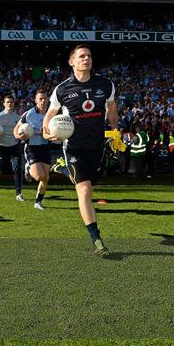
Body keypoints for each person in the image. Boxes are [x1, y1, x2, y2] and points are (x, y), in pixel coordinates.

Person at [43, 44, 118, 258]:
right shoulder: (62, 89)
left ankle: (63, 169)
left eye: (89, 56)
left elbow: (112, 109)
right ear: (72, 62)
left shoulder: (105, 85)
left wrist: (116, 131)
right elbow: (50, 115)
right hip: (74, 147)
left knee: (91, 186)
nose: (87, 59)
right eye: (82, 56)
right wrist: (48, 132)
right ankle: (97, 240)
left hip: (97, 146)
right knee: (84, 191)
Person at [14, 89, 51, 210]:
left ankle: (38, 202)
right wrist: (18, 136)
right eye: (40, 99)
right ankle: (28, 167)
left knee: (46, 178)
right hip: (32, 148)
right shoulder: (29, 114)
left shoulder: (52, 114)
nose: (43, 101)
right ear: (35, 100)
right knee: (39, 176)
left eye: (45, 98)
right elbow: (16, 129)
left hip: (45, 147)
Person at [0, 95, 23, 201]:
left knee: (17, 169)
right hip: (1, 146)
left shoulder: (17, 118)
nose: (10, 104)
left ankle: (18, 193)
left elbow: (22, 129)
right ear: (4, 104)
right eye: (7, 102)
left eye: (11, 102)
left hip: (14, 145)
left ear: (14, 103)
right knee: (2, 170)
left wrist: (22, 135)